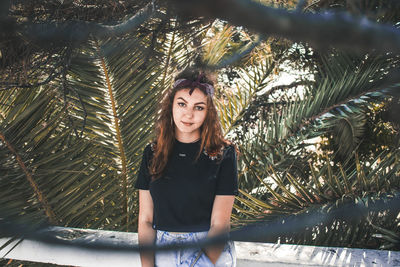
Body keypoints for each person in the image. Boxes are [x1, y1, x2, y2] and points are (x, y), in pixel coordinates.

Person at [135, 68, 238, 267]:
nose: (188, 114)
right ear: (171, 105)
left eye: (199, 107)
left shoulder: (224, 154)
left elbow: (220, 224)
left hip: (209, 252)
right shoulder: (153, 152)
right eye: (182, 104)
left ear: (209, 112)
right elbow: (146, 220)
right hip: (162, 251)